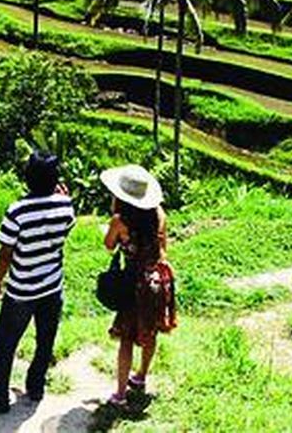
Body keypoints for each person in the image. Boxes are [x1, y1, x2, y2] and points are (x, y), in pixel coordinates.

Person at [0, 151, 76, 414]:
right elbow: (65, 229)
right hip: (52, 285)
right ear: (55, 179)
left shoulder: (17, 210)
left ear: (27, 178)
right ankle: (36, 387)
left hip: (22, 289)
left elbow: (5, 252)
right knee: (45, 339)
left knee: (3, 345)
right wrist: (61, 198)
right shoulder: (66, 206)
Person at [100, 164, 175, 405]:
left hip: (135, 283)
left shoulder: (120, 220)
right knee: (150, 332)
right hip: (158, 279)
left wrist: (112, 228)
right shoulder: (159, 214)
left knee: (126, 337)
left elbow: (109, 245)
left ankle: (120, 394)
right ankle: (141, 375)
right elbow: (163, 247)